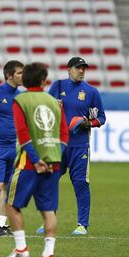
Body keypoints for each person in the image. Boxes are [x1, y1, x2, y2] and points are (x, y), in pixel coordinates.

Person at [0, 63, 69, 257]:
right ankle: (48, 254)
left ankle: (21, 248)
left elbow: (23, 133)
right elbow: (64, 135)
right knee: (48, 210)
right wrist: (54, 155)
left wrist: (37, 159)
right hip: (53, 163)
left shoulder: (21, 100)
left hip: (29, 164)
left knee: (11, 205)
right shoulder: (55, 102)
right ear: (43, 80)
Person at [42, 57, 106, 235]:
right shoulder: (58, 86)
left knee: (80, 183)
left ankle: (82, 225)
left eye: (83, 68)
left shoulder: (91, 92)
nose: (81, 71)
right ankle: (49, 220)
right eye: (78, 68)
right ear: (69, 69)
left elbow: (101, 117)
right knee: (50, 181)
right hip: (58, 144)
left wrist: (89, 123)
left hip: (80, 145)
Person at [0, 60, 24, 236]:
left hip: (14, 147)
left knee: (8, 187)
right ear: (9, 75)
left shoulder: (21, 96)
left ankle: (2, 224)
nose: (22, 76)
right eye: (19, 73)